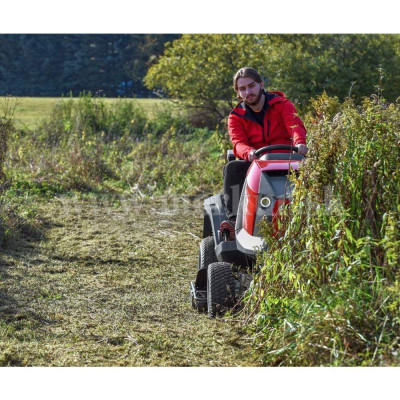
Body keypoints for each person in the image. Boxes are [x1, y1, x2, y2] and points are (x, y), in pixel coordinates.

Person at [224, 67, 308, 220]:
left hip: (287, 160)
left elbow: (295, 127)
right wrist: (249, 152)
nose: (248, 92)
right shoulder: (236, 117)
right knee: (233, 168)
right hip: (256, 162)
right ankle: (233, 222)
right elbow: (238, 143)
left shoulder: (282, 105)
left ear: (261, 85)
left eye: (252, 86)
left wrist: (300, 143)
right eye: (242, 89)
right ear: (238, 93)